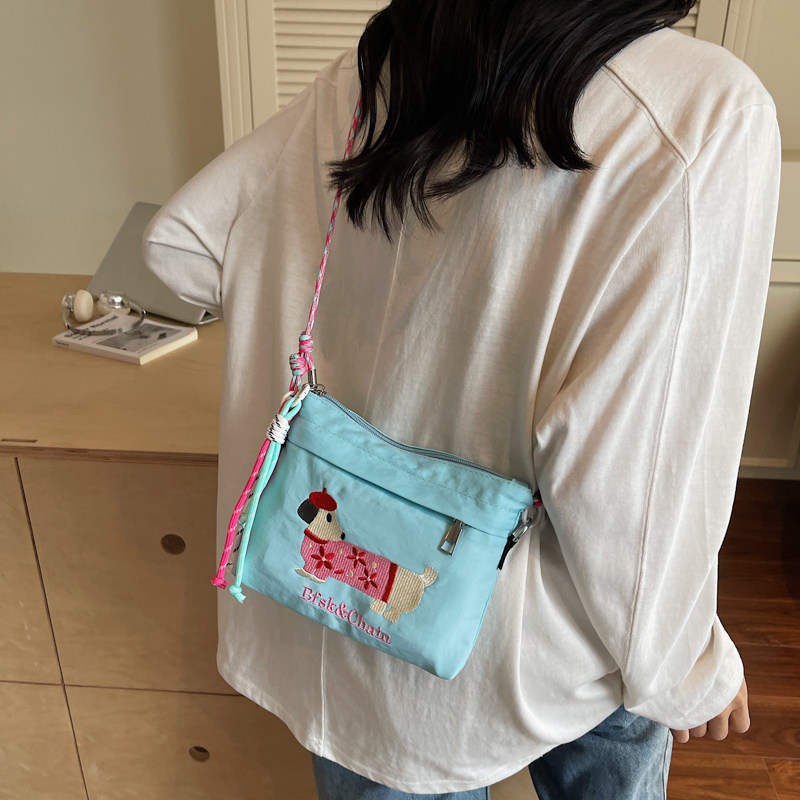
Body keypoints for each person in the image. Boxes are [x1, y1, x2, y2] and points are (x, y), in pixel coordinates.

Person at [142, 1, 780, 797]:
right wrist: (686, 667)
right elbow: (636, 476)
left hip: (345, 631)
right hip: (555, 632)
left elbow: (182, 246)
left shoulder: (390, 62)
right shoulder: (698, 110)